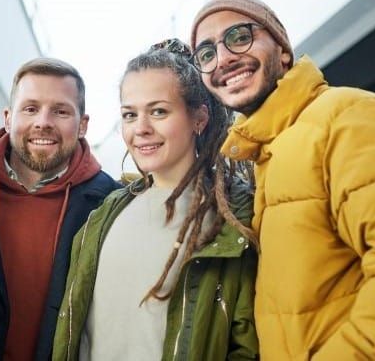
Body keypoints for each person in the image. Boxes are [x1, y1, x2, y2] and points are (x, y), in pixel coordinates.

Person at [190, 0, 375, 360]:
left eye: (238, 36)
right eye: (206, 53)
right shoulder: (265, 157)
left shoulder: (349, 117)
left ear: (282, 51)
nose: (224, 59)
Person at [52, 40, 259, 361]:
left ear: (199, 119)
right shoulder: (104, 213)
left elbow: (248, 344)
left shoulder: (236, 214)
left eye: (159, 111)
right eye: (130, 115)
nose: (141, 129)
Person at [0, 58, 119, 361]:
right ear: (8, 118)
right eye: (31, 108)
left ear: (83, 124)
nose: (43, 122)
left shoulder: (111, 204)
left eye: (60, 111)